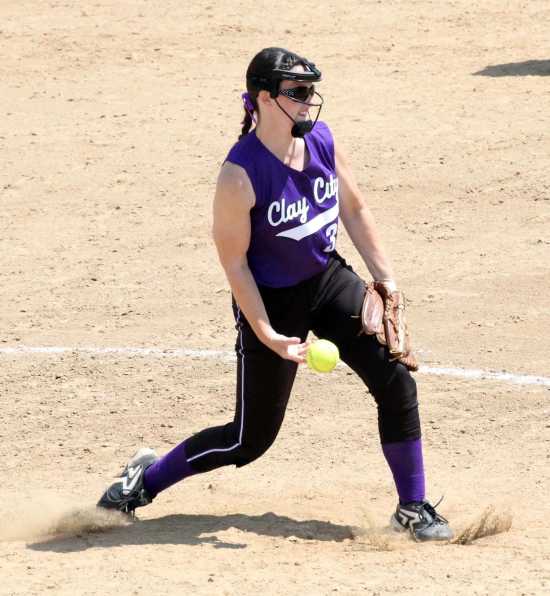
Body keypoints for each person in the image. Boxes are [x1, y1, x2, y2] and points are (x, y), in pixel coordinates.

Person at [97, 47, 453, 542]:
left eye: (311, 92)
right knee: (249, 440)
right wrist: (267, 334)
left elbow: (354, 208)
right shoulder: (238, 175)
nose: (310, 103)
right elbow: (235, 262)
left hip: (326, 280)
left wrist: (386, 279)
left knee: (396, 381)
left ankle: (413, 507)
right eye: (298, 93)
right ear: (264, 98)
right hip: (271, 300)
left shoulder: (323, 141)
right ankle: (143, 481)